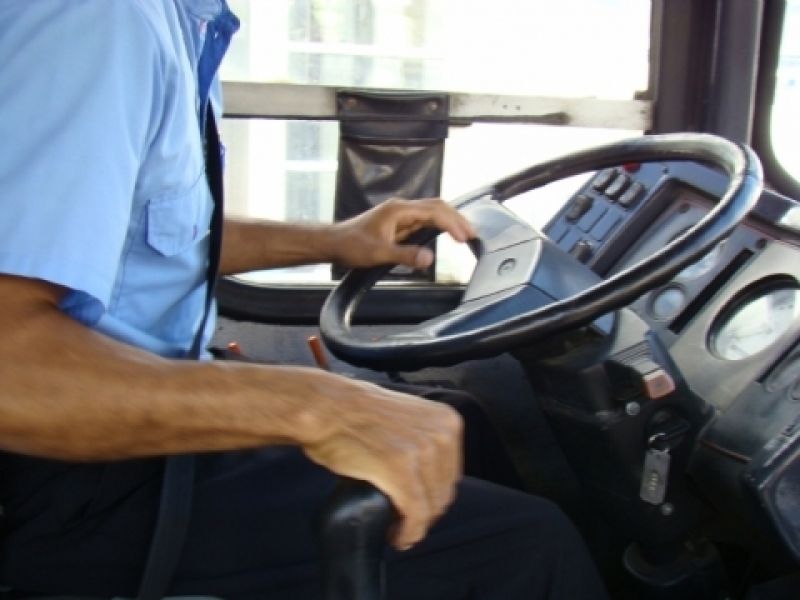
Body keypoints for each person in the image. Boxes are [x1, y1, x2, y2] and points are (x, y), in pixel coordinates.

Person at [0, 1, 608, 598]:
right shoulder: (97, 21)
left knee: (460, 425)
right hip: (68, 476)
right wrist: (317, 406)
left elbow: (143, 233)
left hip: (134, 418)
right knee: (530, 545)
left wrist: (335, 240)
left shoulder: (179, 22)